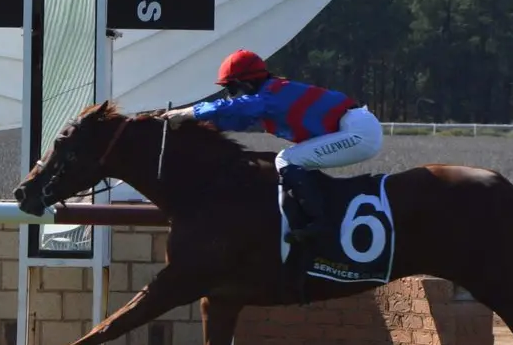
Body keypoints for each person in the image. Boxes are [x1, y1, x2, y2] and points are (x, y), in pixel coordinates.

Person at [160, 49, 384, 244]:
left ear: (246, 84)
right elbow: (232, 119)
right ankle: (312, 215)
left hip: (359, 132)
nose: (230, 95)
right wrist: (190, 125)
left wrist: (184, 113)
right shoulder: (268, 97)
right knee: (294, 160)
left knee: (287, 160)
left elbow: (228, 108)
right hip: (354, 127)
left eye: (231, 88)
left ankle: (321, 223)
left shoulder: (270, 96)